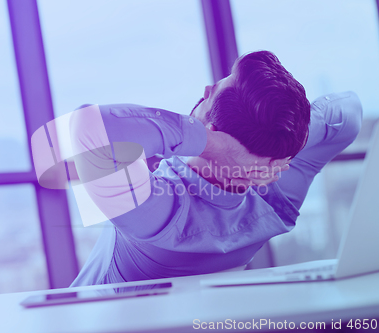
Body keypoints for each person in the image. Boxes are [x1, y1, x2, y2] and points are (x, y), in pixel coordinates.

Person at [69, 50, 362, 287]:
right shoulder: (276, 199)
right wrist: (286, 142)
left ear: (212, 129)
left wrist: (214, 146)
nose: (207, 88)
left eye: (213, 93)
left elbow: (89, 127)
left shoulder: (163, 212)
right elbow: (349, 111)